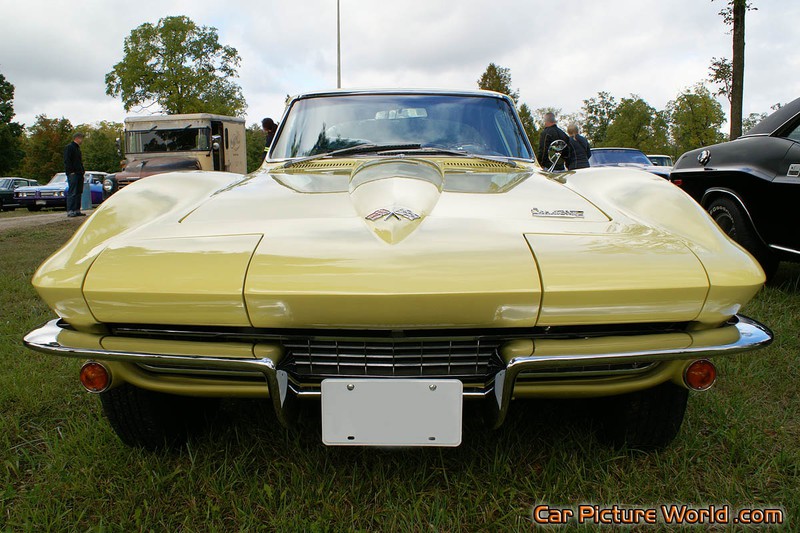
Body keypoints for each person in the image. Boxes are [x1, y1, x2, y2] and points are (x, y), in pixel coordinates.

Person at [64, 132, 86, 217]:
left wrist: (82, 171)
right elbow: (67, 160)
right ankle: (70, 210)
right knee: (72, 192)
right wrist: (70, 171)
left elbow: (79, 162)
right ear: (77, 138)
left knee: (78, 192)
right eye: (81, 138)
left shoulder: (77, 148)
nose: (82, 140)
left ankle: (77, 209)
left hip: (79, 173)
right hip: (73, 173)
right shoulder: (70, 147)